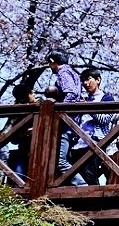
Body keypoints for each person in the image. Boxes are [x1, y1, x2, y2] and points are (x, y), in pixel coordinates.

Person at [47, 50, 86, 186]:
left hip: (66, 121)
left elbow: (71, 93)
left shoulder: (63, 73)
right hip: (72, 121)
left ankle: (82, 186)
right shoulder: (72, 72)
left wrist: (60, 110)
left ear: (53, 61)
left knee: (60, 160)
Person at [72, 68, 115, 185]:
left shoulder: (107, 98)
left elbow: (104, 120)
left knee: (90, 174)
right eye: (83, 81)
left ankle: (95, 197)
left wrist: (88, 107)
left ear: (98, 80)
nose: (85, 83)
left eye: (88, 79)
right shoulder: (84, 100)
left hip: (96, 142)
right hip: (78, 143)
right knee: (75, 174)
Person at [5, 83, 37, 182]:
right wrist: (23, 133)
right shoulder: (18, 112)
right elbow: (13, 139)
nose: (34, 93)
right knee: (19, 178)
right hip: (24, 150)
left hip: (40, 151)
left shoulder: (41, 106)